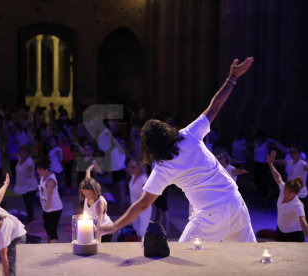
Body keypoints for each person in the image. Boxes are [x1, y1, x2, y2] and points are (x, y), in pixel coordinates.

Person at [102, 57, 257, 243]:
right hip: (235, 202)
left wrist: (113, 226)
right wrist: (232, 77)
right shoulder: (189, 134)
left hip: (211, 213)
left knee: (183, 258)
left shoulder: (162, 167)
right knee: (248, 258)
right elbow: (215, 106)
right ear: (166, 131)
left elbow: (143, 203)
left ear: (149, 148)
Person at [267, 151, 308, 242]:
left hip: (295, 233)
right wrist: (271, 164)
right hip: (281, 230)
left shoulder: (297, 205)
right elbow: (278, 177)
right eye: (286, 189)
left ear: (295, 194)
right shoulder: (283, 189)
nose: (286, 192)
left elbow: (303, 223)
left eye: (290, 192)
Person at [79, 165, 113, 242]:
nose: (86, 197)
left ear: (94, 191)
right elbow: (87, 179)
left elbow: (99, 227)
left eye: (88, 194)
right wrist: (88, 170)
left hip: (104, 231)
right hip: (92, 229)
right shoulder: (87, 189)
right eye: (84, 195)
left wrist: (98, 245)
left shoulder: (99, 203)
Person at [272, 143, 308, 214]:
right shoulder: (291, 162)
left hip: (300, 195)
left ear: (300, 153)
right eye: (290, 152)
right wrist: (273, 160)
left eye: (294, 152)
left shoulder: (303, 164)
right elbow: (284, 162)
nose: (292, 154)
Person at [36, 158, 63, 243]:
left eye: (40, 170)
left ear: (46, 169)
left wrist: (49, 203)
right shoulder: (43, 176)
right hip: (46, 208)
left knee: (52, 230)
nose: (38, 171)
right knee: (47, 228)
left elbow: (50, 193)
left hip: (54, 208)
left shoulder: (50, 181)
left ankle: (54, 250)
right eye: (37, 169)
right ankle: (49, 246)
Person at [13, 144, 39, 233]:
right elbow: (18, 156)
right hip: (23, 187)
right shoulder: (20, 158)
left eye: (23, 152)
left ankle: (30, 225)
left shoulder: (29, 161)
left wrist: (28, 173)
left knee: (29, 204)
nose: (21, 153)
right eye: (20, 151)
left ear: (27, 153)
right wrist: (15, 155)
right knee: (27, 204)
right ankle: (29, 219)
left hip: (31, 186)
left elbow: (29, 168)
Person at [128, 159, 151, 239]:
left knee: (143, 231)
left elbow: (145, 198)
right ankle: (138, 248)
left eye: (134, 167)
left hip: (143, 208)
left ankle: (146, 249)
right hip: (135, 208)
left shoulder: (143, 180)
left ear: (139, 168)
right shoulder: (133, 176)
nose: (131, 169)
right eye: (130, 167)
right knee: (136, 229)